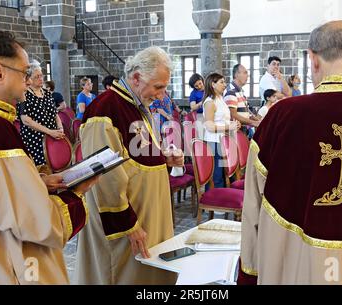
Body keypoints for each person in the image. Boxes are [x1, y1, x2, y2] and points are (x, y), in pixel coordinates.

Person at [238, 20, 342, 285]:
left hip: (299, 272)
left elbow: (252, 210)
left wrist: (248, 275)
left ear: (313, 60)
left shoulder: (280, 119)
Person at [0, 29, 97, 284]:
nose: (29, 80)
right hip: (1, 260)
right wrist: (74, 195)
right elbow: (35, 222)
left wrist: (37, 183)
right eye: (24, 73)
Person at [73, 46, 184, 285]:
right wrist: (128, 224)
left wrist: (164, 158)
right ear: (136, 77)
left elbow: (137, 158)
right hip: (127, 224)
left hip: (148, 215)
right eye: (158, 87)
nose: (162, 95)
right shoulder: (105, 110)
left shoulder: (134, 106)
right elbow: (103, 177)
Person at [17, 61, 65, 168]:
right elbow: (26, 120)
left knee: (55, 166)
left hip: (52, 136)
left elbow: (55, 113)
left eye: (41, 76)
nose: (41, 79)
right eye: (37, 77)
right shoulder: (25, 94)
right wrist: (49, 132)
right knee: (42, 170)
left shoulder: (47, 93)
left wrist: (60, 127)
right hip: (35, 139)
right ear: (29, 78)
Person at [203, 73, 240, 188]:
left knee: (224, 176)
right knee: (216, 176)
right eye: (221, 82)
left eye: (225, 82)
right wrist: (229, 127)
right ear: (213, 84)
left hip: (222, 141)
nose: (225, 85)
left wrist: (234, 124)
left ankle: (222, 201)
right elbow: (209, 126)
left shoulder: (220, 99)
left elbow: (223, 120)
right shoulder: (210, 102)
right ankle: (212, 203)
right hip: (213, 142)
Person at [224, 64, 260, 136]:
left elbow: (246, 111)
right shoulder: (231, 91)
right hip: (235, 131)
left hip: (243, 129)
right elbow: (233, 115)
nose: (248, 76)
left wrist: (257, 120)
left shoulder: (240, 91)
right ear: (237, 74)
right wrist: (253, 122)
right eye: (245, 73)